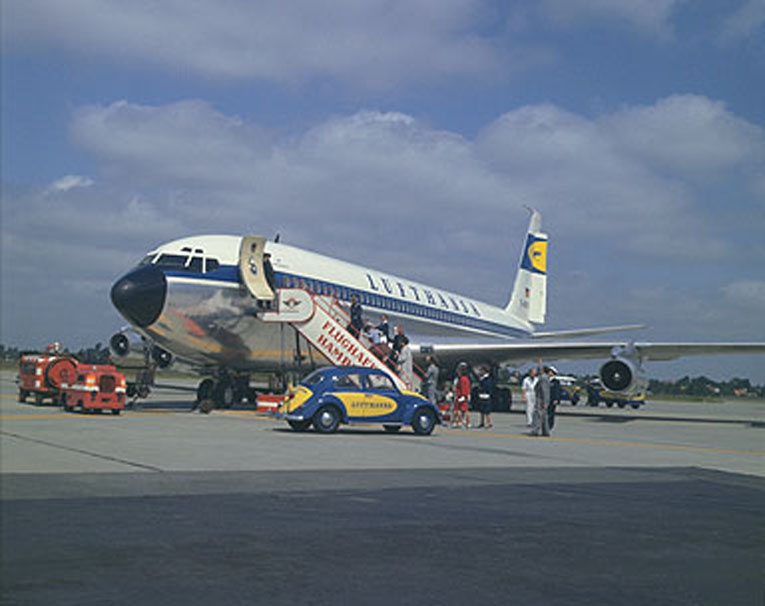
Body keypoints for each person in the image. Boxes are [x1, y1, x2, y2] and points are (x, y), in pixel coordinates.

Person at [530, 361, 551, 437]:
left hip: (541, 399)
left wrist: (545, 402)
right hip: (542, 399)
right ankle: (546, 431)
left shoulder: (543, 378)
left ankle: (535, 430)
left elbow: (544, 391)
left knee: (538, 415)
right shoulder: (544, 378)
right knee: (544, 416)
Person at [453, 362, 472, 429]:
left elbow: (464, 388)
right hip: (464, 395)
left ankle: (461, 422)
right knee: (465, 410)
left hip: (461, 395)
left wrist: (463, 396)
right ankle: (466, 422)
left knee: (459, 410)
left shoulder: (462, 379)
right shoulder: (466, 378)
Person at [548, 366, 561, 430]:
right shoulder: (547, 380)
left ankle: (550, 425)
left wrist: (556, 399)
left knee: (551, 413)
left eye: (550, 371)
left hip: (552, 399)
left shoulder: (555, 381)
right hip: (547, 399)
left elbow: (557, 391)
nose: (548, 373)